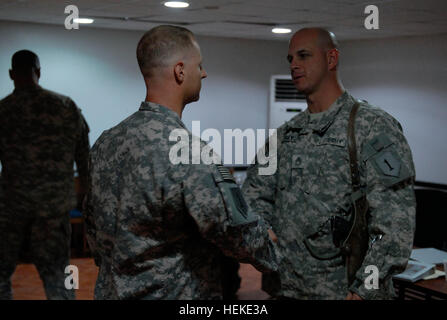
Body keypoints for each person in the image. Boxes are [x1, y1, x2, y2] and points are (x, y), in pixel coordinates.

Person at [84, 25, 278, 300]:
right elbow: (234, 231)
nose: (204, 73)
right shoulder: (189, 151)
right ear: (180, 71)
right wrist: (274, 251)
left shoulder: (106, 142)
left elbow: (94, 229)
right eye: (199, 65)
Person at [242, 28, 416, 300]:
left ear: (331, 59)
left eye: (304, 56)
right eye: (290, 59)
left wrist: (364, 291)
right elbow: (253, 200)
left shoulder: (372, 127)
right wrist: (265, 237)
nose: (294, 65)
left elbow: (395, 224)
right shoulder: (286, 136)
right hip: (287, 290)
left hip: (344, 293)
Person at [0, 50, 90, 299]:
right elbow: (84, 158)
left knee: (1, 276)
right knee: (57, 278)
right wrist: (84, 197)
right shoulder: (65, 106)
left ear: (11, 74)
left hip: (11, 209)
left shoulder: (3, 111)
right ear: (38, 72)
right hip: (53, 209)